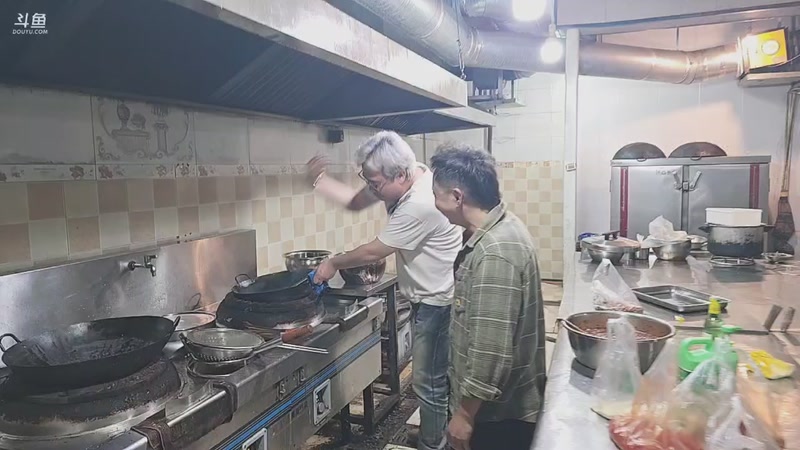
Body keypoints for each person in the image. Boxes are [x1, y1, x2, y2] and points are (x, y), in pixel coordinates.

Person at [307, 131, 461, 450]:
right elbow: (355, 201)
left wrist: (333, 263)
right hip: (430, 296)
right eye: (368, 180)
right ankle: (439, 433)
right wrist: (320, 181)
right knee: (437, 377)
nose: (372, 188)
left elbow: (374, 251)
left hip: (438, 303)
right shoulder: (406, 175)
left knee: (428, 383)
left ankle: (433, 444)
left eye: (375, 183)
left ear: (400, 175)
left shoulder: (421, 202)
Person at [429, 144, 546, 450]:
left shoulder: (495, 252)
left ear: (457, 197)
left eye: (436, 195)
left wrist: (465, 415)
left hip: (496, 417)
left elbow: (490, 348)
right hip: (494, 410)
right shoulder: (499, 227)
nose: (434, 203)